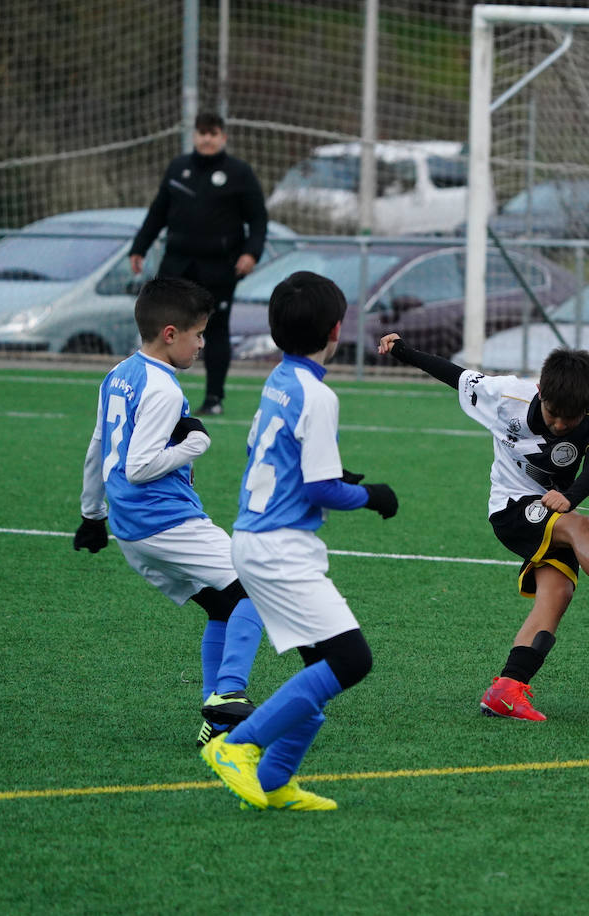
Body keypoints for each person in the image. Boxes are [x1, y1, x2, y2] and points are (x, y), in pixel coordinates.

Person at [377, 333, 589, 722]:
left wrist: (569, 496)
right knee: (582, 526)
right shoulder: (507, 394)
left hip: (551, 514)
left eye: (568, 419)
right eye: (552, 412)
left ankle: (507, 689)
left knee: (556, 595)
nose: (558, 425)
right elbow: (454, 375)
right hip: (510, 509)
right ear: (540, 390)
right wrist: (404, 350)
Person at [201, 271, 398, 812]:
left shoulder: (280, 379)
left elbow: (281, 458)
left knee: (321, 667)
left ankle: (273, 782)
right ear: (337, 330)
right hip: (279, 547)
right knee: (351, 659)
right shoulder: (318, 393)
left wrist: (338, 476)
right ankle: (236, 747)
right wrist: (374, 496)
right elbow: (319, 488)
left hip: (252, 535)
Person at [73, 276, 265, 747]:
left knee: (223, 604)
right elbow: (139, 467)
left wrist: (92, 514)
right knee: (260, 586)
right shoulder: (161, 388)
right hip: (164, 520)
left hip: (132, 528)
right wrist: (194, 445)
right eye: (199, 334)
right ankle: (229, 695)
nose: (203, 344)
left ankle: (217, 725)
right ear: (170, 334)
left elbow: (99, 448)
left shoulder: (119, 374)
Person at [130, 111, 268, 418]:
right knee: (161, 329)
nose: (207, 138)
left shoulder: (239, 173)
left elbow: (258, 219)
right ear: (194, 135)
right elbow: (158, 213)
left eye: (213, 133)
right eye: (202, 132)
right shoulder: (179, 168)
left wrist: (251, 253)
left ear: (223, 137)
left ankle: (214, 397)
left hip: (219, 268)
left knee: (215, 331)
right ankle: (154, 391)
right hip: (177, 264)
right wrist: (138, 247)